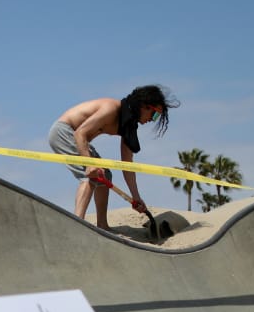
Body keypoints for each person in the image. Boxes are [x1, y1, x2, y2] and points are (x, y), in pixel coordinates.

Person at [48, 84, 178, 230]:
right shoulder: (111, 109)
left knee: (105, 176)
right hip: (64, 132)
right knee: (92, 175)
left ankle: (102, 225)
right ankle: (77, 224)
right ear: (144, 106)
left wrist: (136, 196)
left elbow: (127, 165)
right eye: (155, 114)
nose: (153, 120)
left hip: (76, 137)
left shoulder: (128, 126)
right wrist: (90, 164)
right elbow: (80, 134)